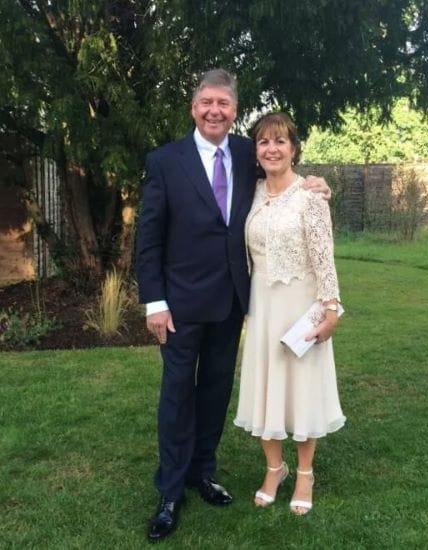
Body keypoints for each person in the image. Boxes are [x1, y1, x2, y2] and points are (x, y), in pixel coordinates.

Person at [136, 70, 330, 541]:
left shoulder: (248, 152)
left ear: (234, 110)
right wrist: (154, 302)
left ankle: (203, 472)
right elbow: (149, 237)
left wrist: (319, 185)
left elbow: (285, 180)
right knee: (177, 395)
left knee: (215, 392)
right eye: (206, 102)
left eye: (223, 103)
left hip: (231, 304)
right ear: (193, 108)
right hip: (180, 306)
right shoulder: (165, 161)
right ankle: (170, 492)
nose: (214, 110)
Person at [234, 112, 346, 516]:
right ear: (256, 151)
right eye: (264, 142)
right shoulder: (249, 193)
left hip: (301, 305)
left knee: (302, 389)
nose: (272, 149)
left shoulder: (311, 196)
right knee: (266, 387)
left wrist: (331, 309)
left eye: (280, 141)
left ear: (294, 149)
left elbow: (324, 258)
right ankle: (274, 469)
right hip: (261, 305)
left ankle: (304, 474)